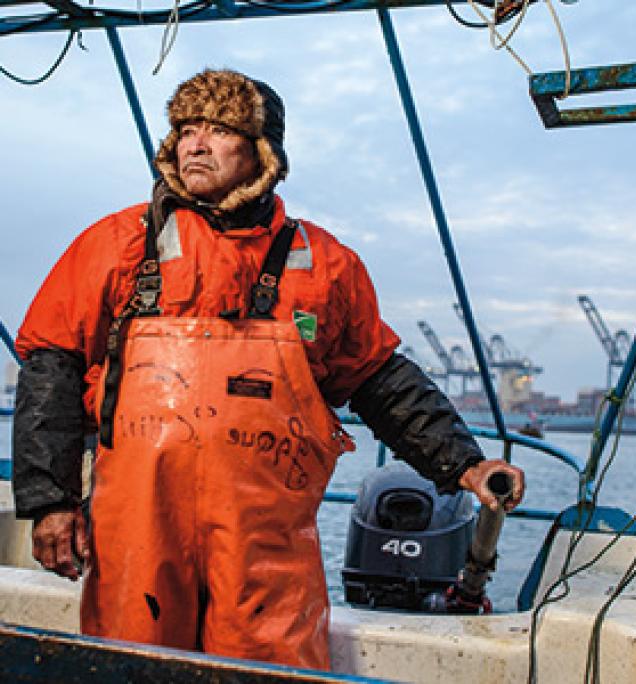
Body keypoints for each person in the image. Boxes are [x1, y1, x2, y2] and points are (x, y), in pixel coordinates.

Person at [12, 69, 524, 670]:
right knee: (129, 667)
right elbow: (52, 363)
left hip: (266, 550)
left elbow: (378, 378)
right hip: (137, 540)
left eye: (219, 129)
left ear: (261, 152)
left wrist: (463, 463)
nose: (195, 144)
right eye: (186, 129)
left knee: (272, 672)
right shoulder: (118, 243)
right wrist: (51, 501)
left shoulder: (327, 265)